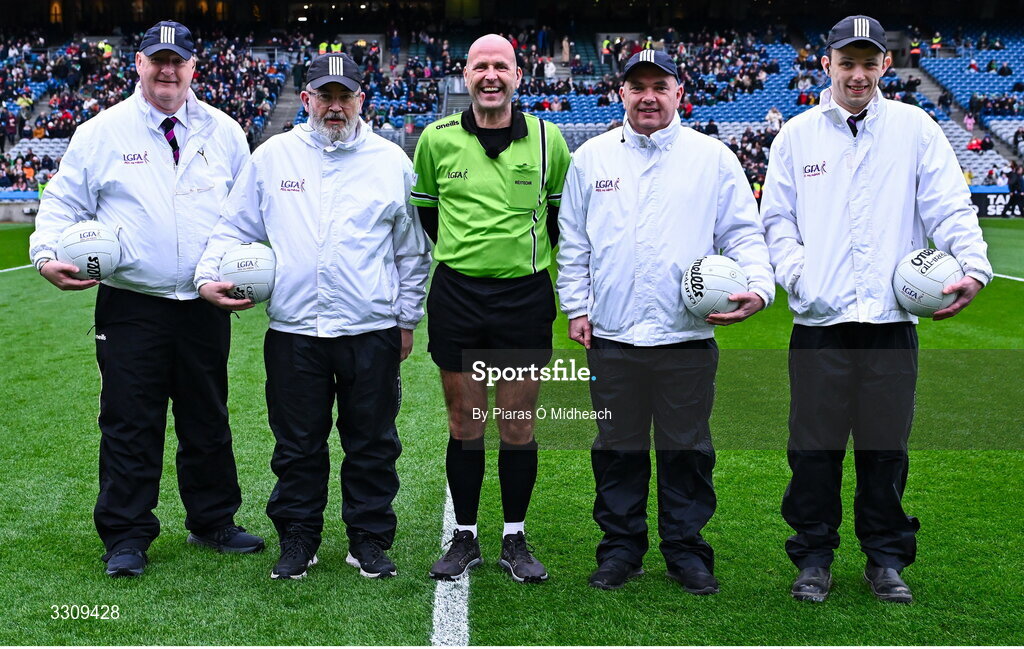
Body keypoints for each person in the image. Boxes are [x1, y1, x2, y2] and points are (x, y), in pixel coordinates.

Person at [760, 15, 992, 605]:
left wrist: (974, 266)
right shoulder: (796, 136)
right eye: (848, 63)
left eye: (869, 63)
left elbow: (949, 207)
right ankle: (813, 556)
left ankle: (885, 559)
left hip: (891, 323)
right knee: (813, 449)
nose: (858, 74)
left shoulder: (915, 129)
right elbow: (777, 222)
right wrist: (799, 277)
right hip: (821, 323)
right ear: (827, 65)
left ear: (886, 65)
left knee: (885, 448)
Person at [28, 20, 262, 578]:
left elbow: (246, 212)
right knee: (130, 420)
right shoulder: (102, 132)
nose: (167, 70)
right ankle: (127, 535)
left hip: (204, 303)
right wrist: (43, 255)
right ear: (138, 64)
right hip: (132, 303)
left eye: (177, 61)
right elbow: (60, 202)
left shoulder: (224, 132)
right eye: (157, 60)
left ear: (193, 67)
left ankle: (212, 521)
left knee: (207, 417)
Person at [195, 53, 430, 581]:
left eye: (345, 96)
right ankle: (298, 538)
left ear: (360, 101)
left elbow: (412, 252)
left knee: (372, 442)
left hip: (370, 330)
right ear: (306, 100)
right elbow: (233, 226)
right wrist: (206, 276)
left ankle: (368, 539)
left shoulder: (391, 161)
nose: (335, 106)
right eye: (325, 96)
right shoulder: (273, 157)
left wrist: (406, 319)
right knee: (297, 444)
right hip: (294, 331)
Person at [557, 49, 775, 593]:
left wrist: (760, 289)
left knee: (687, 450)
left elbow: (745, 235)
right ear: (621, 94)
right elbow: (574, 242)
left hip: (686, 336)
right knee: (616, 449)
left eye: (660, 85)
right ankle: (620, 550)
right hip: (612, 335)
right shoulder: (592, 158)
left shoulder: (713, 157)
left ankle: (686, 552)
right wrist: (577, 307)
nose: (648, 96)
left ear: (680, 94)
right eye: (638, 87)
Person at [410, 33, 570, 583]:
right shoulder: (435, 139)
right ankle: (466, 538)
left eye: (501, 66)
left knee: (518, 426)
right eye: (481, 66)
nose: (491, 76)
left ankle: (514, 537)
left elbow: (556, 221)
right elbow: (428, 216)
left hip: (524, 296)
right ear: (466, 75)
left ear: (519, 75)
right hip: (458, 294)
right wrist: (469, 253)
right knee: (465, 422)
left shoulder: (551, 141)